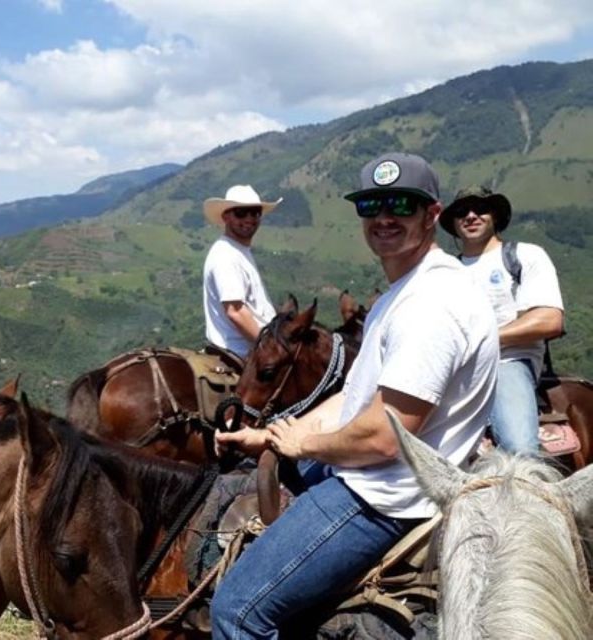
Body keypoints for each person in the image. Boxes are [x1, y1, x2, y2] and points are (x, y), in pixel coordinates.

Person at [210, 152, 498, 638]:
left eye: (401, 205)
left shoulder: (431, 304)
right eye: (372, 205)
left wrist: (304, 445)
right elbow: (353, 398)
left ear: (431, 214)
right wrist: (275, 434)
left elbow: (386, 438)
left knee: (237, 611)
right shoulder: (401, 292)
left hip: (387, 496)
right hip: (380, 476)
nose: (385, 218)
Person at [441, 185, 564, 455]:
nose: (471, 215)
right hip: (452, 370)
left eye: (480, 208)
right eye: (462, 211)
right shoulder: (444, 272)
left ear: (494, 214)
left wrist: (484, 339)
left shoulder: (525, 255)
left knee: (520, 447)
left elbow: (550, 319)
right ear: (453, 222)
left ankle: (531, 492)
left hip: (507, 363)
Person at [202, 185, 282, 359]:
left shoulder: (237, 250)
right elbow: (235, 311)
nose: (249, 218)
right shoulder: (226, 256)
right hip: (243, 352)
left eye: (255, 212)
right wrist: (271, 349)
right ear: (226, 217)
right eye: (241, 213)